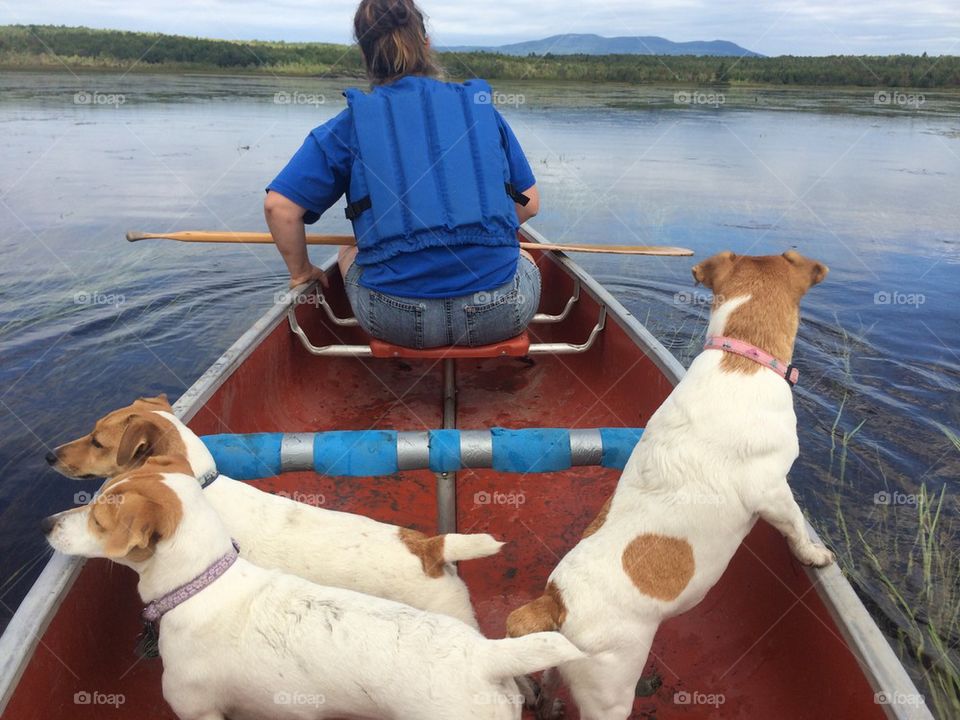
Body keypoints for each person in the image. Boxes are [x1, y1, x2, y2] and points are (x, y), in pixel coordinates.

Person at [264, 0, 541, 349]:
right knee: (524, 255)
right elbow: (529, 204)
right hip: (499, 311)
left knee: (348, 253)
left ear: (365, 56)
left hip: (397, 318)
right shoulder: (481, 110)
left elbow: (280, 208)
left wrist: (301, 271)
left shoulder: (349, 125)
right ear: (426, 44)